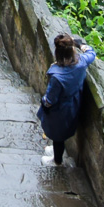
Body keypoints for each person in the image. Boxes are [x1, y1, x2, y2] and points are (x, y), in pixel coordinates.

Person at [37, 34, 97, 167]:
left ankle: (57, 161)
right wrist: (80, 45)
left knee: (57, 136)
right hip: (73, 105)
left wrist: (44, 102)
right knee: (61, 133)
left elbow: (50, 100)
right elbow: (92, 52)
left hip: (59, 110)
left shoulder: (57, 76)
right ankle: (56, 151)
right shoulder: (82, 62)